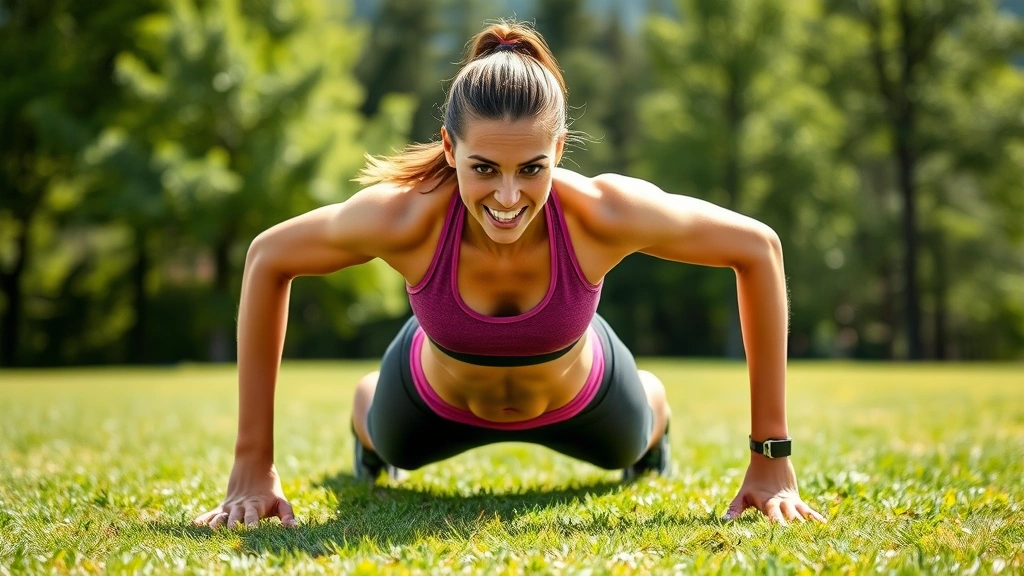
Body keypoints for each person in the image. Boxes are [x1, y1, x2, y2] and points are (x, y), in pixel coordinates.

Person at [193, 20, 825, 531]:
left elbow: (759, 249)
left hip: (585, 398)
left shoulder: (602, 214)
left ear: (559, 150)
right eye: (483, 168)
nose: (507, 196)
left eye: (531, 169)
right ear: (448, 148)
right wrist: (253, 464)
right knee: (388, 441)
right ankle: (367, 398)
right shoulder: (406, 220)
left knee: (632, 446)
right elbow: (267, 257)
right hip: (429, 400)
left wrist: (771, 458)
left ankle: (652, 399)